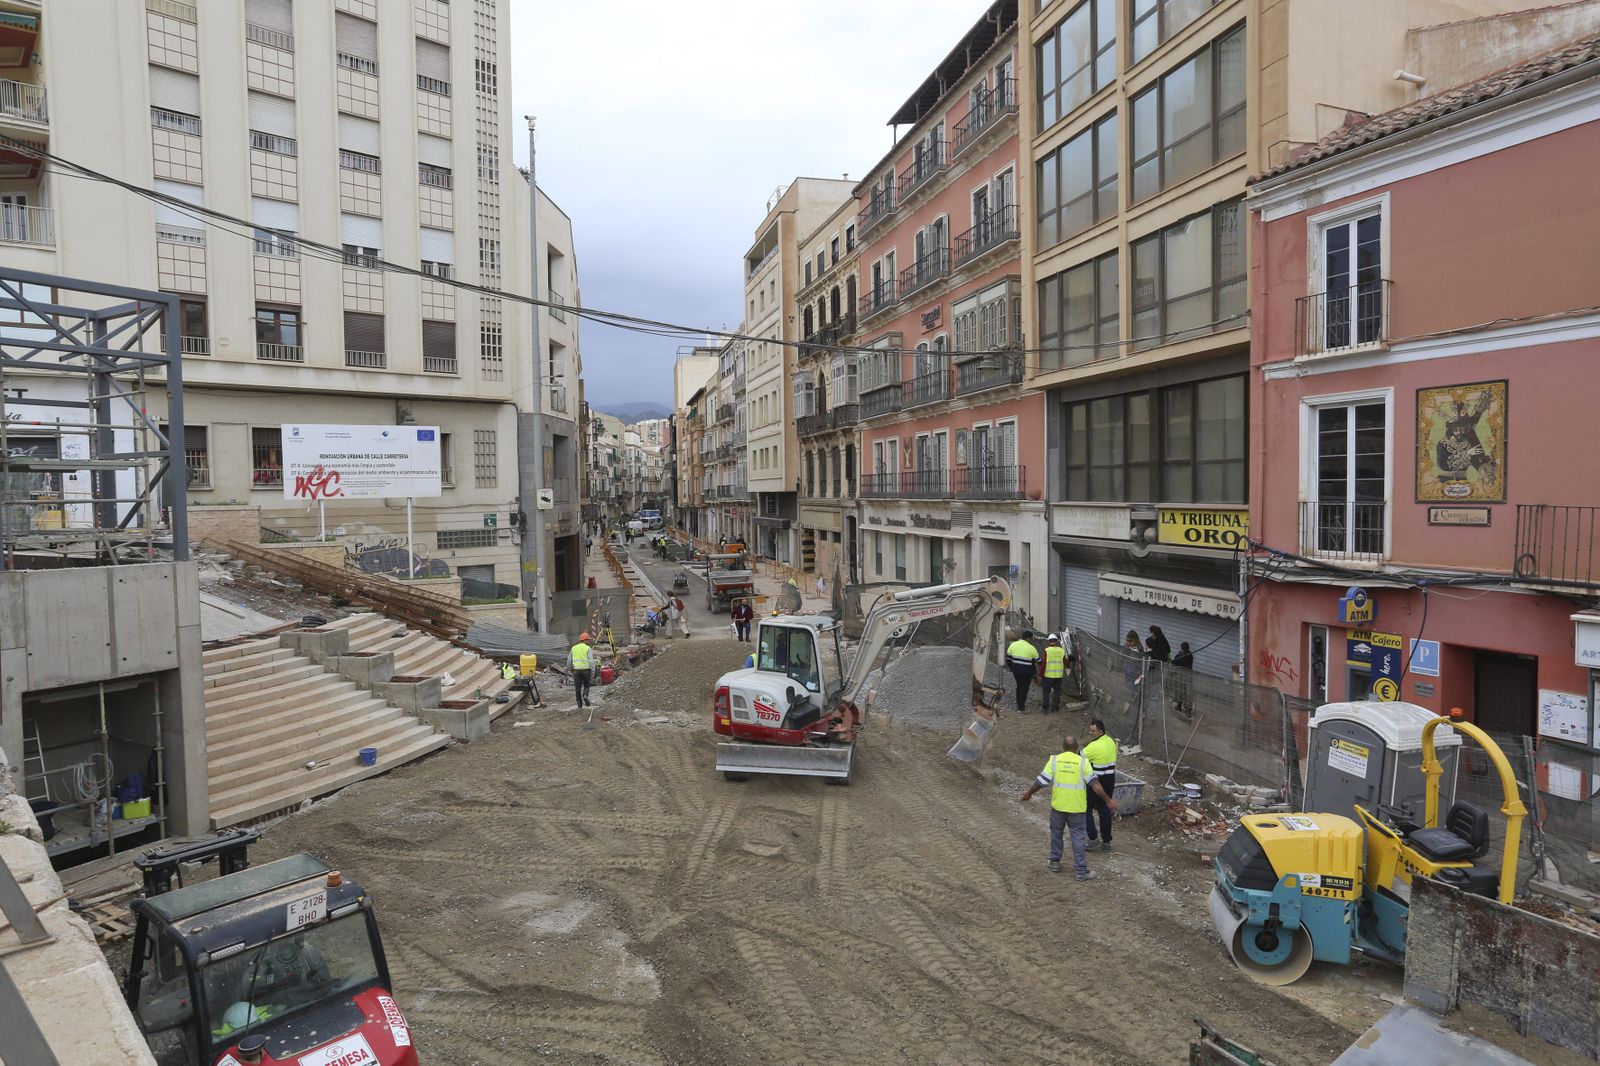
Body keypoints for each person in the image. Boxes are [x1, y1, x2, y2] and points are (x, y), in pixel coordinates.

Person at [1019, 733, 1119, 879]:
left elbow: (1041, 781)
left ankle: (1055, 862)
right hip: (1077, 808)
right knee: (1078, 839)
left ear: (1063, 747)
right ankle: (1081, 872)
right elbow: (1095, 784)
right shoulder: (1083, 762)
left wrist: (1029, 793)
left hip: (1058, 807)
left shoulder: (1054, 760)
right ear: (1077, 747)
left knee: (1056, 834)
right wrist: (1108, 800)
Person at [1082, 719, 1118, 851]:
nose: (1090, 733)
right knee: (1104, 808)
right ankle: (1106, 841)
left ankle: (1092, 838)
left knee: (1085, 808)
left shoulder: (1093, 747)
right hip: (1110, 779)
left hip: (1096, 781)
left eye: (1093, 731)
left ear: (1101, 731)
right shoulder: (1111, 741)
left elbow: (1079, 757)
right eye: (1090, 730)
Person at [1006, 630, 1040, 714]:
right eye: (1031, 638)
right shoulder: (1031, 648)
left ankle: (1019, 704)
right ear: (1028, 638)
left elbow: (1008, 659)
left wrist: (1011, 667)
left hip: (1016, 671)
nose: (1031, 640)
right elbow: (1039, 660)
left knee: (1019, 686)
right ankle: (1021, 708)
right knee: (1024, 688)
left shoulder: (1013, 645)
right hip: (1026, 672)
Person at [1040, 633, 1067, 714]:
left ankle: (1045, 709)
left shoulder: (1047, 650)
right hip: (1058, 676)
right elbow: (1066, 662)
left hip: (1048, 676)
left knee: (1046, 692)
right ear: (1056, 641)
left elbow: (1043, 663)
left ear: (1049, 641)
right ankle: (1055, 708)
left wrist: (1041, 675)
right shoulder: (1062, 650)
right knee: (1057, 692)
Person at [1171, 641, 1195, 719]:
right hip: (1189, 675)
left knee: (1180, 690)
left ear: (1181, 648)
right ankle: (1187, 710)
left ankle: (1180, 706)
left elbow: (1174, 662)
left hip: (1181, 675)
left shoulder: (1180, 655)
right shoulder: (1190, 655)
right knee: (1188, 692)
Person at [569, 632, 593, 708]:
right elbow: (591, 661)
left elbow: (569, 660)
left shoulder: (574, 648)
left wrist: (570, 669)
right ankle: (585, 695)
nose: (589, 641)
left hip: (576, 671)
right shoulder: (587, 648)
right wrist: (593, 669)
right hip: (586, 670)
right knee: (587, 684)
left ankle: (579, 705)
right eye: (588, 640)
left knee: (577, 688)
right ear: (585, 640)